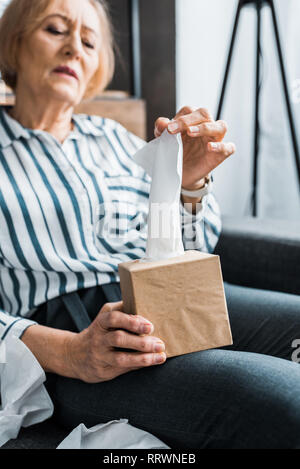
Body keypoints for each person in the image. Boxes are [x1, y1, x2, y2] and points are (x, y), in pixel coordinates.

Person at [0, 0, 300, 449]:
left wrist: (188, 184)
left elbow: (187, 247)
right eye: (56, 30)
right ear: (14, 43)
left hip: (165, 292)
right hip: (69, 332)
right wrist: (70, 352)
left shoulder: (114, 140)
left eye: (88, 41)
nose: (74, 50)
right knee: (286, 398)